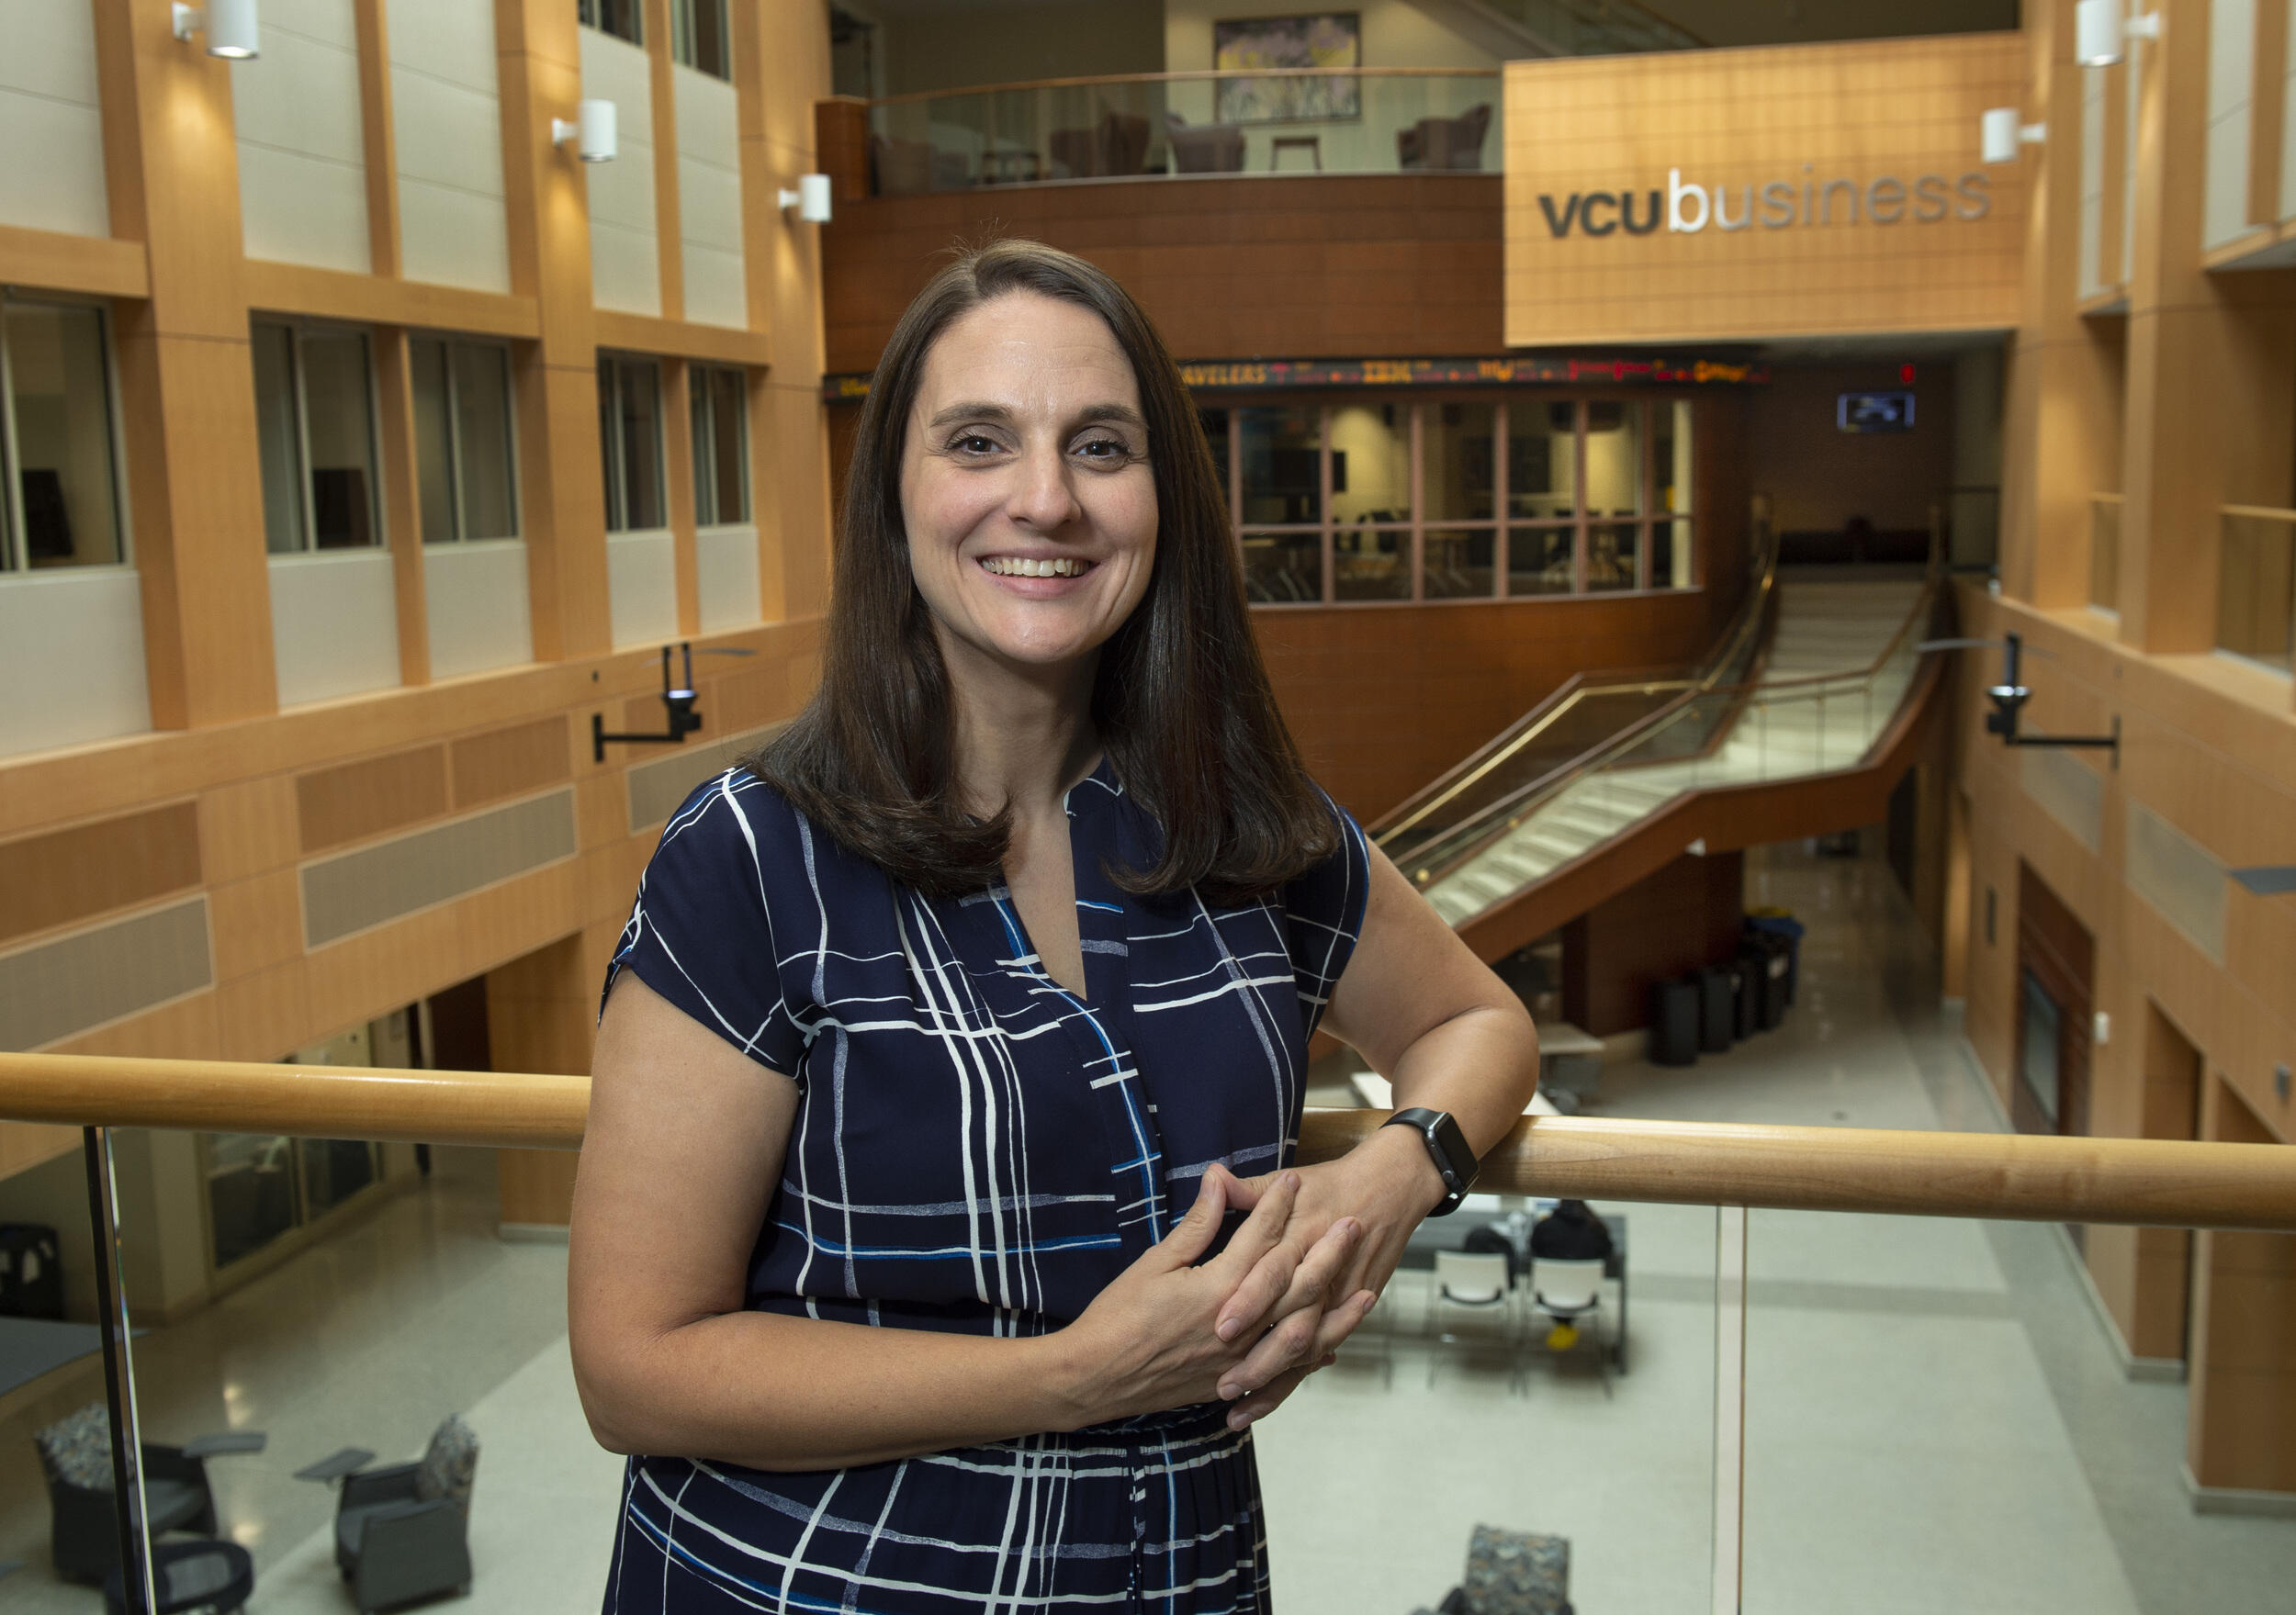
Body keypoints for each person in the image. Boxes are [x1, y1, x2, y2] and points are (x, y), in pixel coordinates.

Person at [568, 240, 1541, 1613]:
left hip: (1168, 1581)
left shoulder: (1241, 824)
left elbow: (1476, 1021)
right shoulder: (755, 853)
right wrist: (1073, 1379)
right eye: (979, 441)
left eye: (1100, 447)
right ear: (895, 495)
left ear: (1164, 499)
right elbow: (635, 1365)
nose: (1046, 501)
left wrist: (1390, 1177)